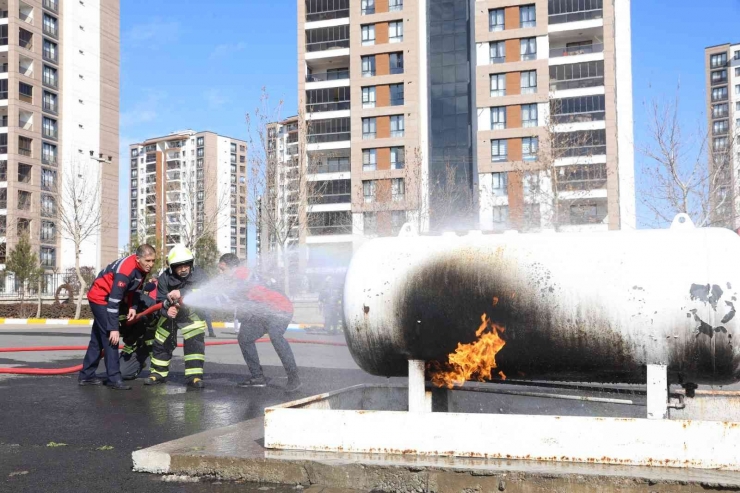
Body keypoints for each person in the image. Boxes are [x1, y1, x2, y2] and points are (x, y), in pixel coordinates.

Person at [218, 253, 301, 392]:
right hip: (264, 313)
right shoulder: (237, 278)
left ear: (231, 267)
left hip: (281, 309)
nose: (220, 272)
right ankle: (257, 377)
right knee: (244, 338)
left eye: (222, 268)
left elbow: (227, 297)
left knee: (276, 336)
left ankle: (294, 378)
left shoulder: (243, 275)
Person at [79, 244, 156, 390]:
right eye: (148, 261)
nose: (150, 264)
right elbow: (114, 301)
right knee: (110, 338)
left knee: (96, 340)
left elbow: (134, 289)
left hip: (109, 298)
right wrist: (113, 328)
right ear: (137, 258)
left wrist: (133, 307)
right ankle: (114, 379)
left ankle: (86, 375)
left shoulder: (141, 269)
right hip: (100, 298)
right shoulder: (125, 271)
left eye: (153, 261)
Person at [144, 245, 209, 389]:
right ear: (171, 267)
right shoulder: (164, 278)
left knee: (194, 345)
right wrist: (167, 309)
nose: (184, 269)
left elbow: (207, 291)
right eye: (179, 266)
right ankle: (158, 374)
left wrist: (182, 293)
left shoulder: (200, 274)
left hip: (191, 315)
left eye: (187, 265)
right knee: (161, 343)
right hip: (169, 315)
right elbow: (159, 301)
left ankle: (195, 377)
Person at [119, 280, 159, 380]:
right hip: (133, 343)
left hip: (152, 341)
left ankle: (158, 371)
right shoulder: (114, 304)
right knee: (122, 373)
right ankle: (139, 363)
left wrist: (148, 319)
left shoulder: (145, 301)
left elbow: (159, 313)